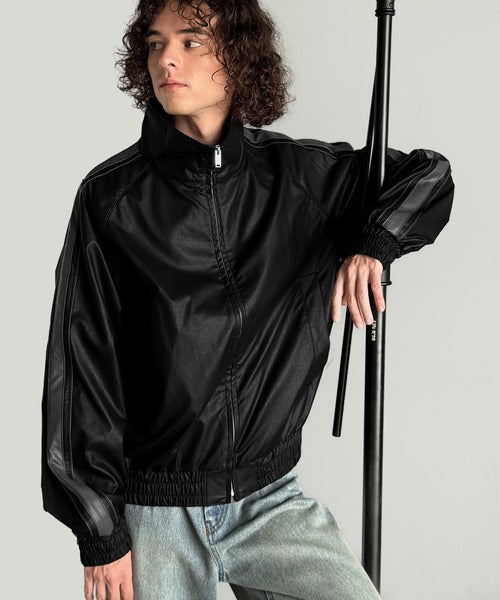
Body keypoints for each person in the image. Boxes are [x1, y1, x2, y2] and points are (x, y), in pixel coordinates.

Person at [40, 1, 454, 599]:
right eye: (155, 44)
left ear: (238, 55)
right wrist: (101, 534)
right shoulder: (111, 200)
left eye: (191, 41)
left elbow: (430, 175)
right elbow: (82, 369)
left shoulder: (300, 178)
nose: (167, 59)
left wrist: (373, 244)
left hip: (270, 499)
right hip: (157, 512)